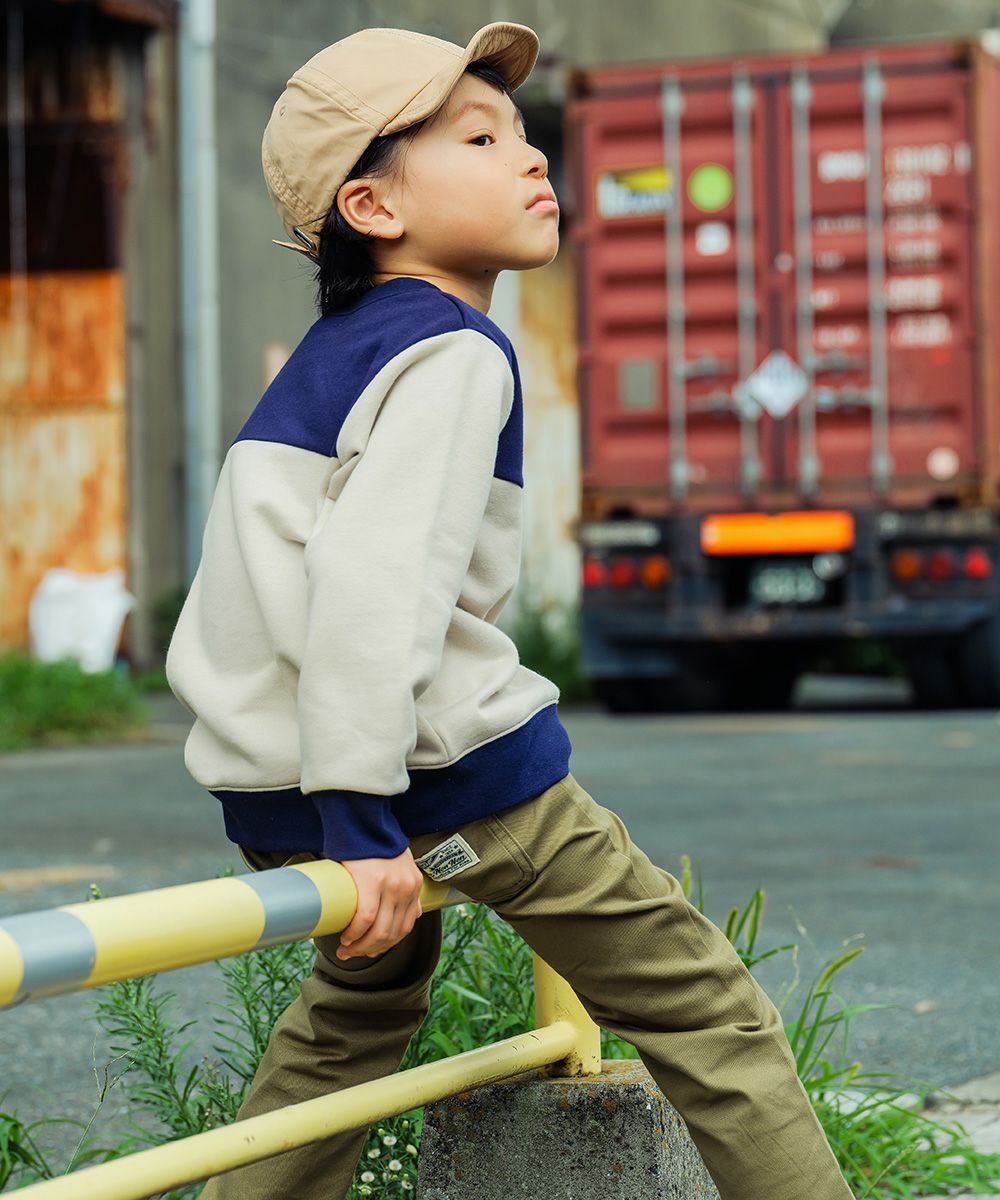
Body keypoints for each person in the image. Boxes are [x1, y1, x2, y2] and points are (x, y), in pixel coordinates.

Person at [164, 20, 854, 1200]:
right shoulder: (449, 353)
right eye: (480, 138)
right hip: (421, 775)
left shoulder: (336, 354)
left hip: (287, 784)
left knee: (350, 1026)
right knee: (705, 1010)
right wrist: (362, 809)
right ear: (373, 208)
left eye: (526, 136)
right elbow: (376, 584)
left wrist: (333, 807)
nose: (531, 159)